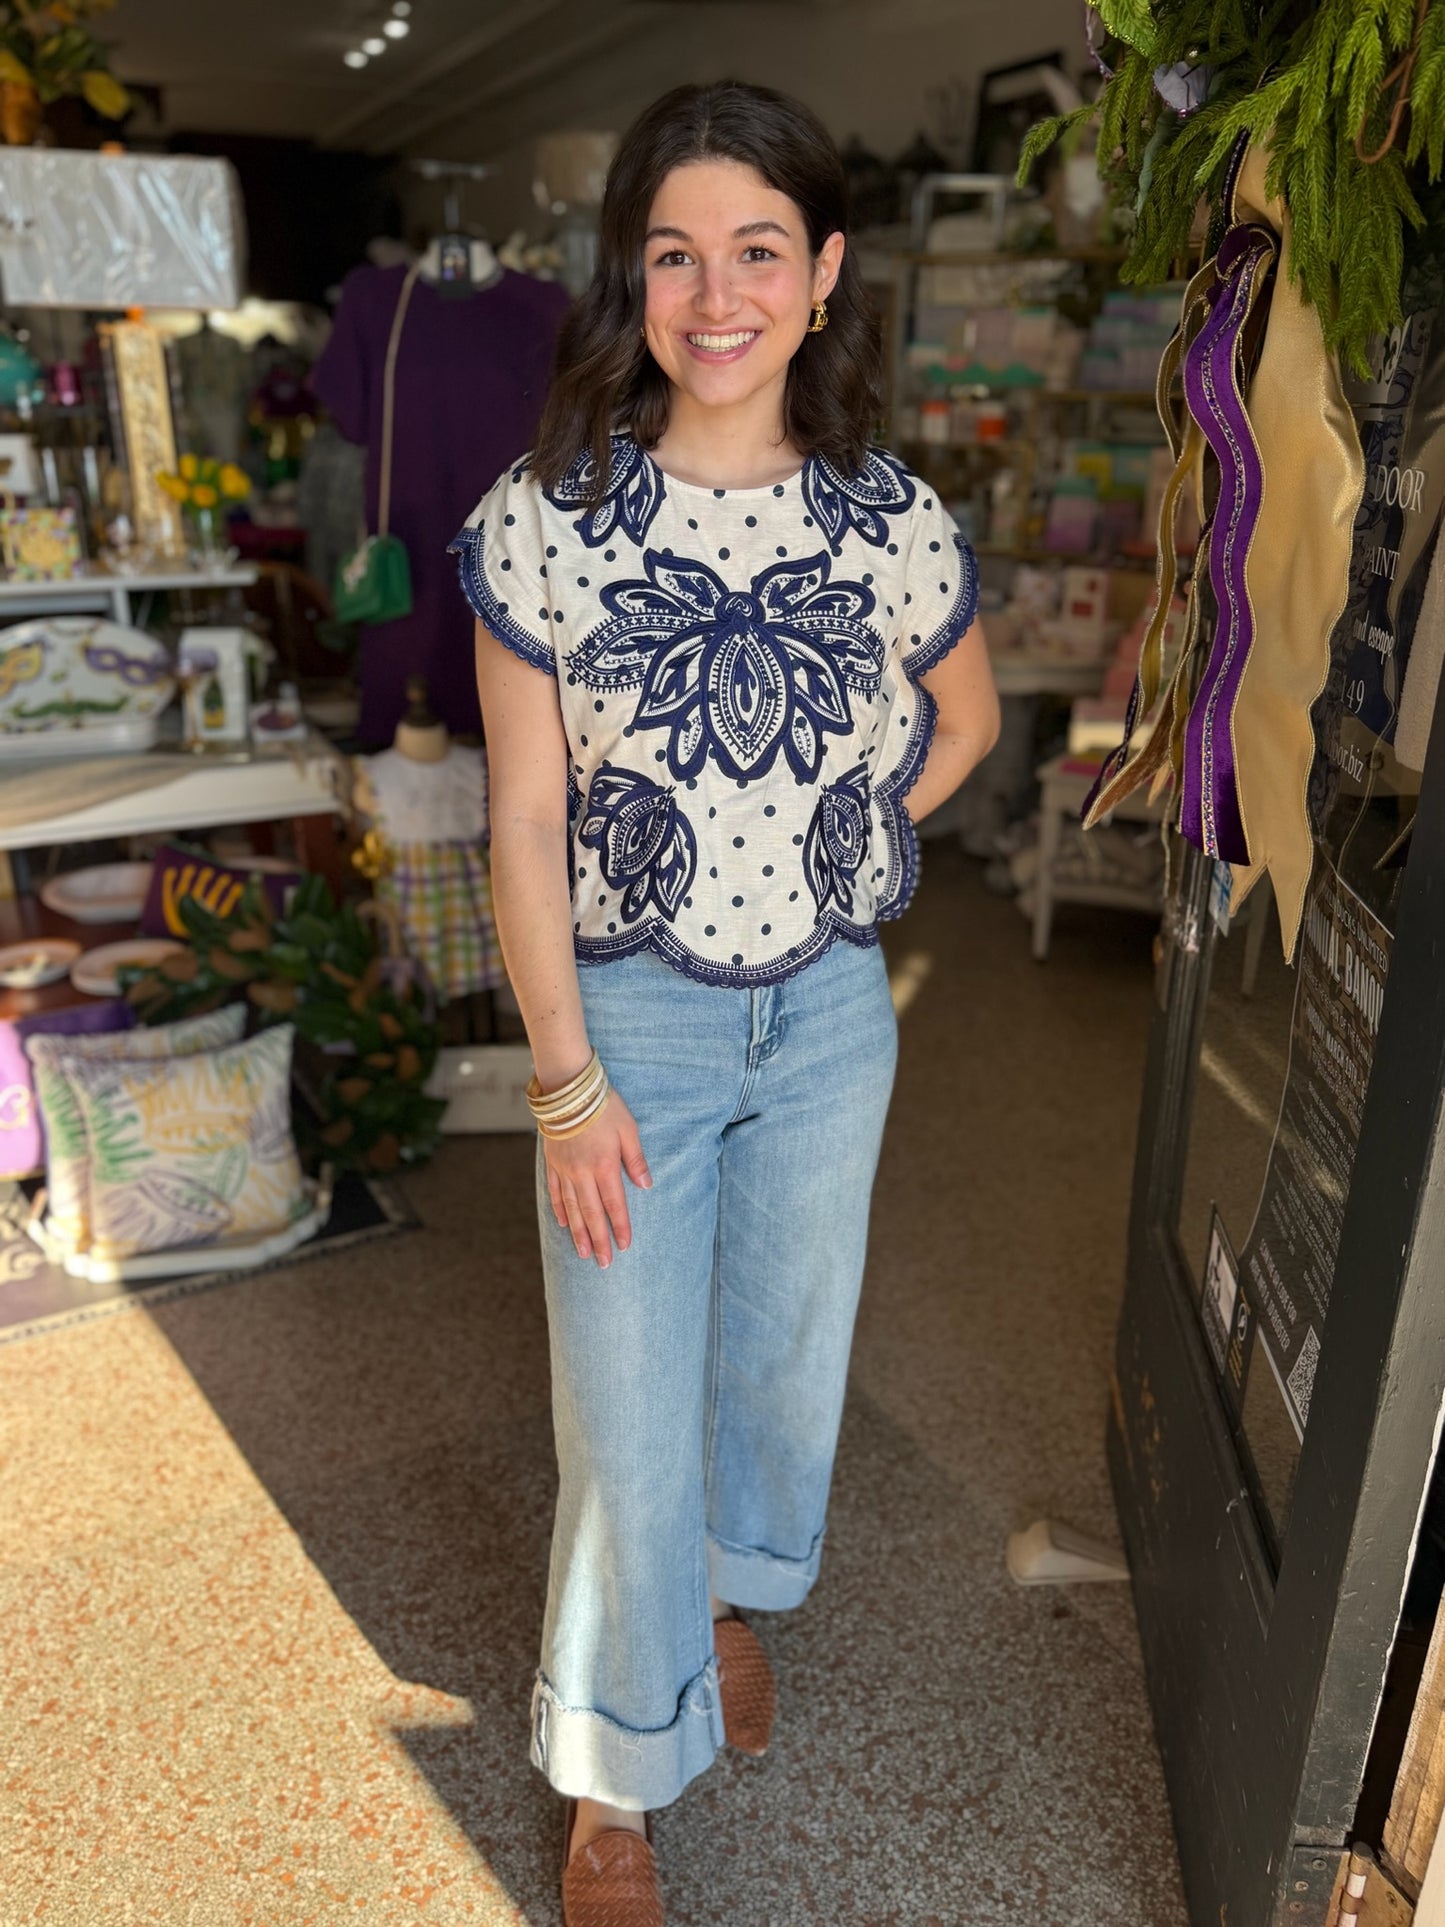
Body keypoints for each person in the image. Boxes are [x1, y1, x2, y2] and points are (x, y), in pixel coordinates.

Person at [452, 79, 1000, 1927]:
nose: (715, 294)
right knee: (622, 1414)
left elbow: (971, 719)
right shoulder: (547, 519)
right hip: (628, 1028)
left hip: (829, 1021)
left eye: (757, 249)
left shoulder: (887, 517)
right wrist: (559, 1079)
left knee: (774, 1369)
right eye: (674, 252)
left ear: (823, 272)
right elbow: (522, 819)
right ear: (631, 277)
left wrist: (852, 827)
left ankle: (714, 1605)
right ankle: (615, 1782)